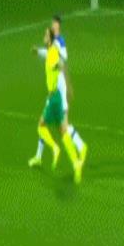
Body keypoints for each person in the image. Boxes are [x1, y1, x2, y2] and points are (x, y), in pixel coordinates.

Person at [29, 17, 88, 182]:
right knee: (60, 129)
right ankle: (73, 161)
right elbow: (49, 53)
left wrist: (68, 86)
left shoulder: (57, 46)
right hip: (54, 94)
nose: (53, 26)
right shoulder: (52, 49)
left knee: (52, 127)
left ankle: (71, 148)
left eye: (55, 24)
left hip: (57, 94)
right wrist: (38, 51)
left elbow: (61, 62)